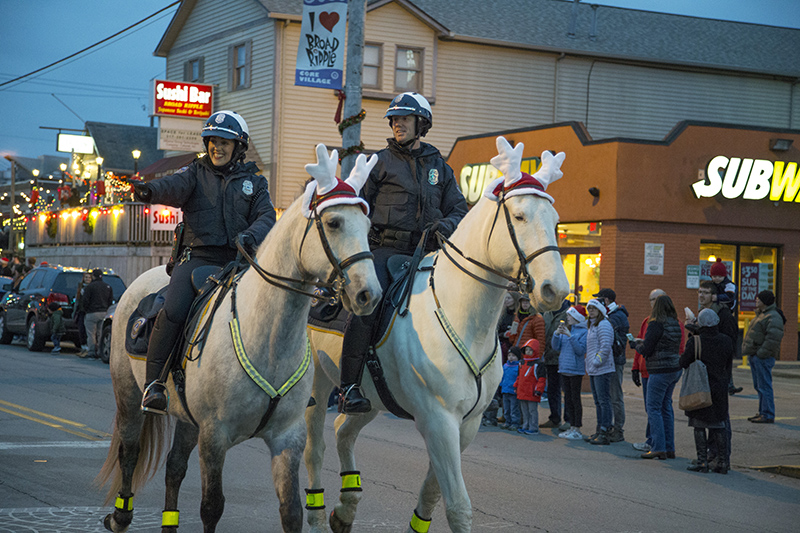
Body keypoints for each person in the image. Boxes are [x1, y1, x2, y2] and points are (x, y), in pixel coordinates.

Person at [130, 110, 276, 415]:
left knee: (273, 307)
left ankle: (282, 380)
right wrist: (150, 190)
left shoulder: (255, 182)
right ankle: (154, 385)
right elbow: (171, 186)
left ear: (238, 147)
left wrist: (251, 235)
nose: (217, 148)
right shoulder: (194, 173)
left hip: (240, 261)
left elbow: (267, 216)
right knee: (173, 310)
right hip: (196, 260)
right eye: (212, 142)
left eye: (224, 142)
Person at [338, 92, 468, 414]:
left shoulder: (440, 167)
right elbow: (357, 208)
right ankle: (350, 387)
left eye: (404, 119)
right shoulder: (378, 163)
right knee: (368, 304)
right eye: (394, 120)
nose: (398, 124)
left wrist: (446, 224)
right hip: (385, 251)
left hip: (428, 253)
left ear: (421, 124)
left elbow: (460, 209)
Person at [631, 289, 687, 452]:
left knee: (653, 409)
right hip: (674, 369)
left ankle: (657, 447)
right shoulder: (676, 323)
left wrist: (636, 345)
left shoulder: (655, 323)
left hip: (659, 369)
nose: (652, 303)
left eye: (655, 300)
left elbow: (647, 349)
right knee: (666, 407)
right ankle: (669, 447)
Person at [680, 308, 733, 474]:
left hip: (700, 388)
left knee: (699, 425)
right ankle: (723, 462)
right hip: (720, 388)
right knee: (719, 424)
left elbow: (683, 361)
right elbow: (728, 364)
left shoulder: (696, 341)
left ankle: (702, 462)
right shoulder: (726, 340)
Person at [742, 290, 785, 424]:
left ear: (764, 302)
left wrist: (761, 354)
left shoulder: (773, 316)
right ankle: (762, 412)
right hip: (756, 355)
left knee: (764, 386)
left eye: (758, 299)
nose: (756, 301)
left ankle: (767, 414)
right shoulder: (763, 314)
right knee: (759, 385)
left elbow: (773, 339)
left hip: (763, 357)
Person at [593, 288, 629, 443]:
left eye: (599, 299)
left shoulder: (616, 316)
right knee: (605, 396)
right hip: (608, 360)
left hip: (615, 360)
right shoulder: (611, 315)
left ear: (606, 300)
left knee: (614, 396)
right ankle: (605, 427)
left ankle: (618, 430)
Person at [583, 299, 615, 445]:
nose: (591, 311)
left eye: (593, 309)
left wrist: (597, 361)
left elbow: (606, 345)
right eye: (589, 309)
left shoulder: (603, 324)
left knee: (604, 400)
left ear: (600, 310)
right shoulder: (592, 325)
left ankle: (605, 430)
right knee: (598, 401)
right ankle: (599, 429)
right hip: (593, 369)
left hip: (602, 368)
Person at [708, 260, 743, 395]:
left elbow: (729, 297)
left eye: (719, 276)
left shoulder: (729, 285)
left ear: (724, 276)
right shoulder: (711, 286)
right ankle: (728, 384)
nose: (716, 279)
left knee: (726, 356)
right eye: (714, 276)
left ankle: (728, 384)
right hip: (717, 322)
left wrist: (716, 297)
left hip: (725, 322)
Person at [554, 305, 588, 441]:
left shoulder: (584, 332)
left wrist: (570, 336)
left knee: (575, 399)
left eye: (569, 316)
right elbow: (556, 346)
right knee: (567, 399)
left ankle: (577, 427)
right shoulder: (569, 330)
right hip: (564, 368)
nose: (567, 318)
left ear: (576, 318)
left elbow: (580, 351)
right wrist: (557, 334)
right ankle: (571, 426)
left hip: (575, 370)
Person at [540, 298, 571, 430]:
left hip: (563, 358)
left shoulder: (568, 313)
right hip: (549, 357)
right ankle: (554, 418)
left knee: (567, 390)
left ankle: (569, 420)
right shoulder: (547, 313)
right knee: (553, 390)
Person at [514, 339, 546, 435]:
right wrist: (516, 386)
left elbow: (542, 379)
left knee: (532, 411)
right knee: (524, 410)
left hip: (532, 392)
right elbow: (519, 377)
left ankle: (533, 427)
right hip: (522, 391)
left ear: (535, 351)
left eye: (530, 350)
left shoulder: (538, 364)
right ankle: (525, 425)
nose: (528, 352)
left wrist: (538, 390)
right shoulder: (522, 363)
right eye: (526, 350)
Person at [81, 269, 113, 360]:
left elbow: (85, 301)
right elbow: (110, 301)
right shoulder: (107, 286)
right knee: (100, 333)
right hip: (104, 313)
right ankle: (100, 351)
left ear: (93, 276)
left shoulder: (90, 287)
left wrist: (86, 310)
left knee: (91, 334)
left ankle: (91, 352)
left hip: (92, 313)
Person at [500, 347, 522, 431]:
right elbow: (502, 376)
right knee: (506, 408)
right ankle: (507, 421)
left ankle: (515, 423)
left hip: (513, 391)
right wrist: (501, 385)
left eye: (513, 355)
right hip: (505, 390)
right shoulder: (505, 366)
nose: (511, 357)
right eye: (509, 355)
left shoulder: (518, 367)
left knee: (514, 408)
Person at [497, 291, 519, 363]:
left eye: (509, 298)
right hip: (503, 344)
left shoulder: (518, 315)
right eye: (505, 298)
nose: (506, 300)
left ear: (515, 299)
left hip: (514, 345)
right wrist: (504, 334)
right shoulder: (501, 314)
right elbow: (496, 331)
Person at [74, 271, 93, 357]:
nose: (87, 279)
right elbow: (77, 301)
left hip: (89, 312)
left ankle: (88, 349)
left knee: (88, 331)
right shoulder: (80, 287)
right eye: (86, 277)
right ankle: (83, 347)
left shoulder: (92, 288)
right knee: (81, 329)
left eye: (89, 278)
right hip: (81, 311)